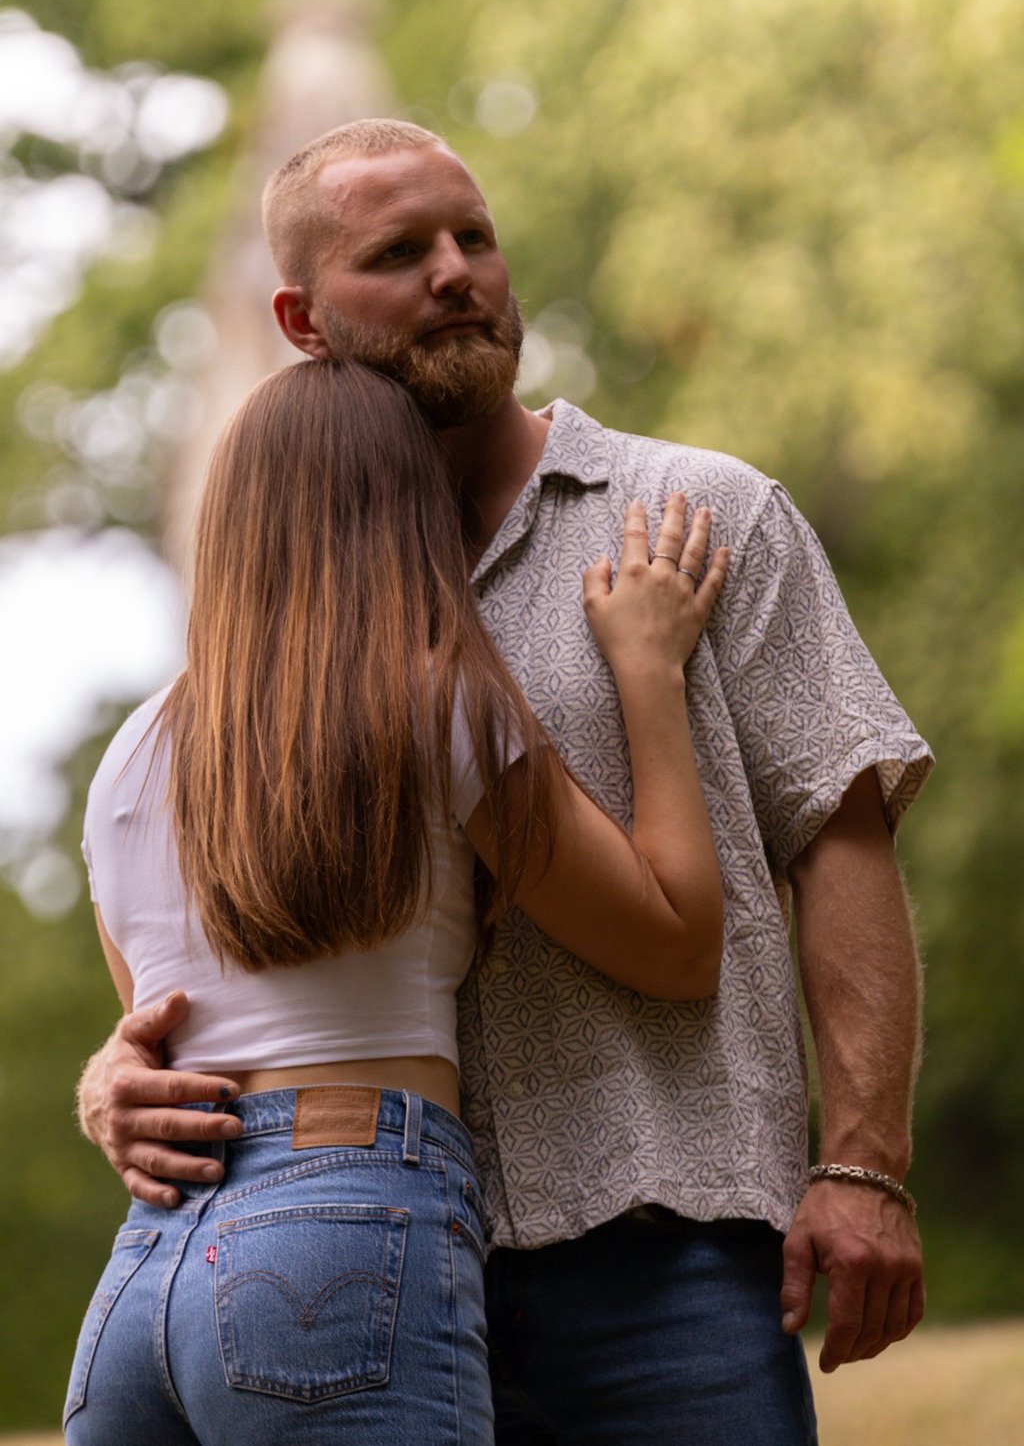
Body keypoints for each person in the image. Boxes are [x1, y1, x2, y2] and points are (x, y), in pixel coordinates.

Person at [77, 120, 933, 1445]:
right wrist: (118, 1076)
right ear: (302, 317)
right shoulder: (283, 643)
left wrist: (865, 1159)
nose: (457, 272)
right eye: (400, 252)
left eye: (475, 236)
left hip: (660, 1267)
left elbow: (841, 829)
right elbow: (227, 950)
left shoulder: (694, 519)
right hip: (365, 1267)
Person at [65, 354, 728, 1444]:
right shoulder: (438, 702)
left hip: (144, 1279)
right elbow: (676, 944)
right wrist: (648, 675)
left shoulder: (132, 755)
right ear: (412, 513)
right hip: (341, 1231)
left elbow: (149, 1028)